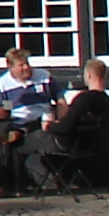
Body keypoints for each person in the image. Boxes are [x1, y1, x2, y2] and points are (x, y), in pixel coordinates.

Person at [0, 45, 58, 196]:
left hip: (40, 120)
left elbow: (60, 98)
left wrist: (60, 118)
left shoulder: (44, 77)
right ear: (10, 66)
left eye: (27, 63)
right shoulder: (2, 83)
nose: (26, 67)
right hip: (16, 120)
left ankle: (13, 186)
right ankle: (11, 186)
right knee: (6, 144)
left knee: (13, 141)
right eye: (21, 65)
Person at [24, 58, 102, 193]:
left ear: (88, 75)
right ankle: (61, 180)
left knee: (22, 142)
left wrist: (48, 126)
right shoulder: (104, 100)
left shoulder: (83, 100)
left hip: (68, 144)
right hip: (91, 145)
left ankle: (17, 184)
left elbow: (65, 128)